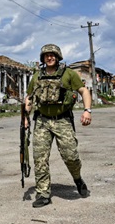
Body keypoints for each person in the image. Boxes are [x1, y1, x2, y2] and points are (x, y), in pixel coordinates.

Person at [24, 43, 92, 208]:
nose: (49, 57)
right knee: (40, 158)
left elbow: (83, 91)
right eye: (46, 55)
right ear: (43, 58)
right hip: (42, 121)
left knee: (71, 156)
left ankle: (77, 179)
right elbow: (29, 97)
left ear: (58, 56)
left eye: (52, 55)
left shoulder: (68, 74)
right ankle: (43, 193)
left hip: (62, 120)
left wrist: (87, 110)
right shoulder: (37, 76)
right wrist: (25, 117)